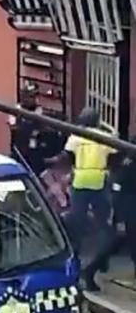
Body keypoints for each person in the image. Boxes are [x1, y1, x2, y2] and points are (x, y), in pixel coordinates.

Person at [52, 107, 116, 289]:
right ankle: (100, 262)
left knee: (76, 225)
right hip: (99, 184)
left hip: (80, 183)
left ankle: (75, 263)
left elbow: (68, 156)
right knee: (104, 226)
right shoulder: (104, 137)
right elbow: (114, 155)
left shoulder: (76, 137)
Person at [82, 126, 136, 291]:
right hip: (127, 201)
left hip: (124, 199)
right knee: (124, 239)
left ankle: (92, 269)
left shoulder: (128, 156)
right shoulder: (131, 159)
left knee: (124, 240)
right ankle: (90, 270)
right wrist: (119, 215)